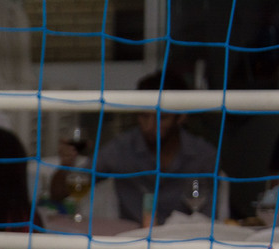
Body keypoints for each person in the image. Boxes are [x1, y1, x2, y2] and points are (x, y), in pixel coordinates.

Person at [50, 70, 220, 225]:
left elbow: (207, 219)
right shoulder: (122, 149)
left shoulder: (202, 155)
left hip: (184, 243)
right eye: (144, 116)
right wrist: (66, 165)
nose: (150, 126)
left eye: (162, 118)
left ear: (181, 117)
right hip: (134, 242)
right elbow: (59, 194)